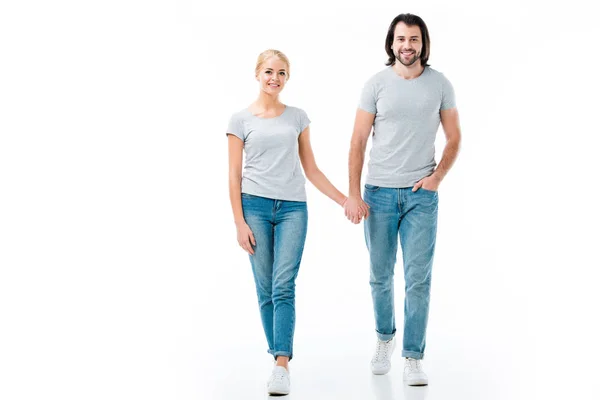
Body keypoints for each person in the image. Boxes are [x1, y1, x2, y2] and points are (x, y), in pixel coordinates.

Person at [344, 13, 462, 386]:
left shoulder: (440, 84)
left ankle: (413, 355)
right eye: (400, 39)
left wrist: (436, 178)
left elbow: (455, 137)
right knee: (380, 277)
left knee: (418, 279)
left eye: (413, 39)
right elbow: (358, 141)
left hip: (419, 197)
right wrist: (352, 193)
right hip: (377, 194)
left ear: (423, 43)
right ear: (391, 43)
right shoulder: (376, 84)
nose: (407, 46)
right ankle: (384, 338)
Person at [226, 49, 347, 396]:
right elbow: (234, 175)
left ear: (287, 78)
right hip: (255, 208)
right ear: (257, 74)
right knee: (265, 289)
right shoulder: (240, 121)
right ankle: (276, 357)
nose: (274, 78)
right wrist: (239, 222)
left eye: (281, 73)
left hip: (293, 208)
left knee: (283, 285)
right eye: (268, 71)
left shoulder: (297, 117)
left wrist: (343, 200)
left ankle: (281, 364)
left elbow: (311, 169)